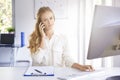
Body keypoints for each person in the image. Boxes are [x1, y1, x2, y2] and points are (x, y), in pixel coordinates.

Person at [28, 6, 94, 71]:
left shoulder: (62, 38)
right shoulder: (34, 39)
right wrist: (42, 37)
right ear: (40, 23)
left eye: (51, 18)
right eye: (45, 20)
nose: (49, 22)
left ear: (54, 19)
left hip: (58, 75)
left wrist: (80, 66)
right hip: (41, 76)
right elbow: (37, 60)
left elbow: (67, 59)